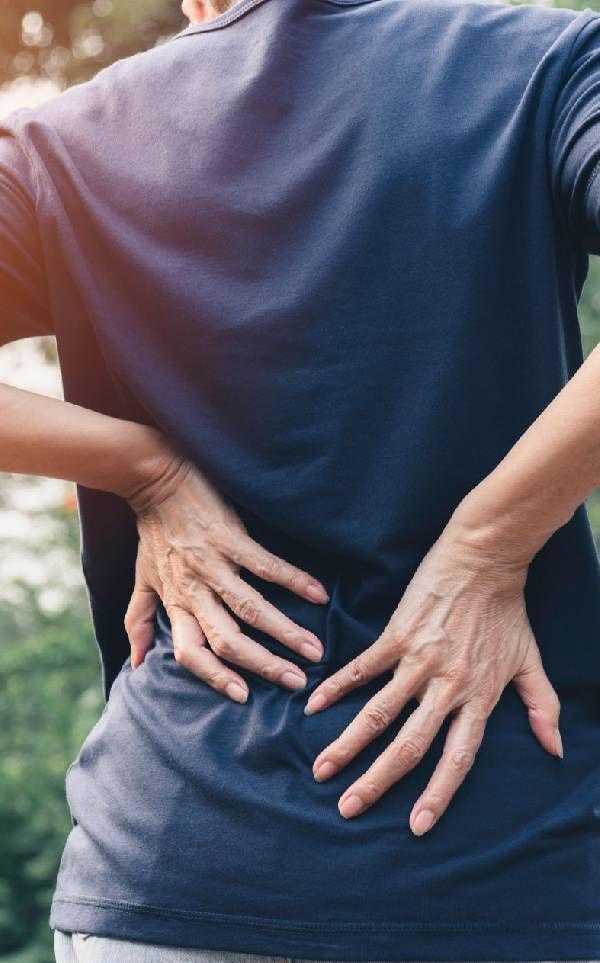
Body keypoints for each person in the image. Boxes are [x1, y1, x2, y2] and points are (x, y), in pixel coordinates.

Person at [1, 0, 599, 960]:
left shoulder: (62, 144)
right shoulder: (546, 64)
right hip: (498, 863)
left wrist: (141, 468)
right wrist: (492, 540)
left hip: (172, 865)